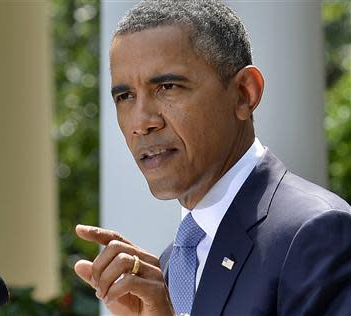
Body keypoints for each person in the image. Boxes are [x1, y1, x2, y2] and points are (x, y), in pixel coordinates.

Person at [74, 0, 351, 315]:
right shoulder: (168, 268)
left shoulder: (315, 232)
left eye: (167, 86)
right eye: (125, 97)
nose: (141, 122)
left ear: (245, 93)